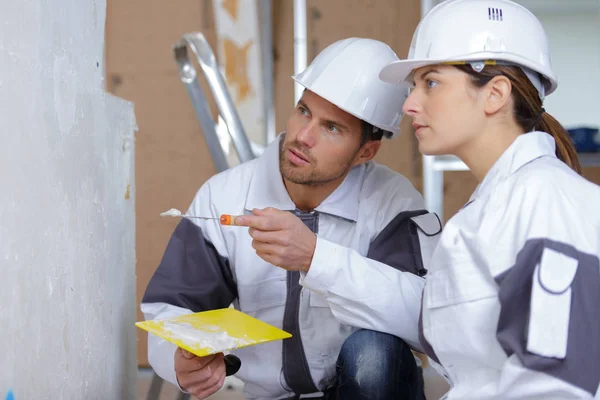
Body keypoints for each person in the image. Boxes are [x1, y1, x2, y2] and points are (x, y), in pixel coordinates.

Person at [142, 37, 441, 400]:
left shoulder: (391, 204)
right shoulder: (226, 195)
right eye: (303, 111)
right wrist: (177, 359)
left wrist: (317, 259)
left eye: (331, 128)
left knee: (374, 354)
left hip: (364, 392)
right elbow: (172, 307)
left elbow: (430, 319)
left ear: (366, 150)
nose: (302, 137)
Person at [379, 0, 600, 398]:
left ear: (495, 94)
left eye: (430, 82)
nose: (410, 104)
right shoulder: (502, 201)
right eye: (413, 86)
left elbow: (556, 385)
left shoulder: (543, 199)